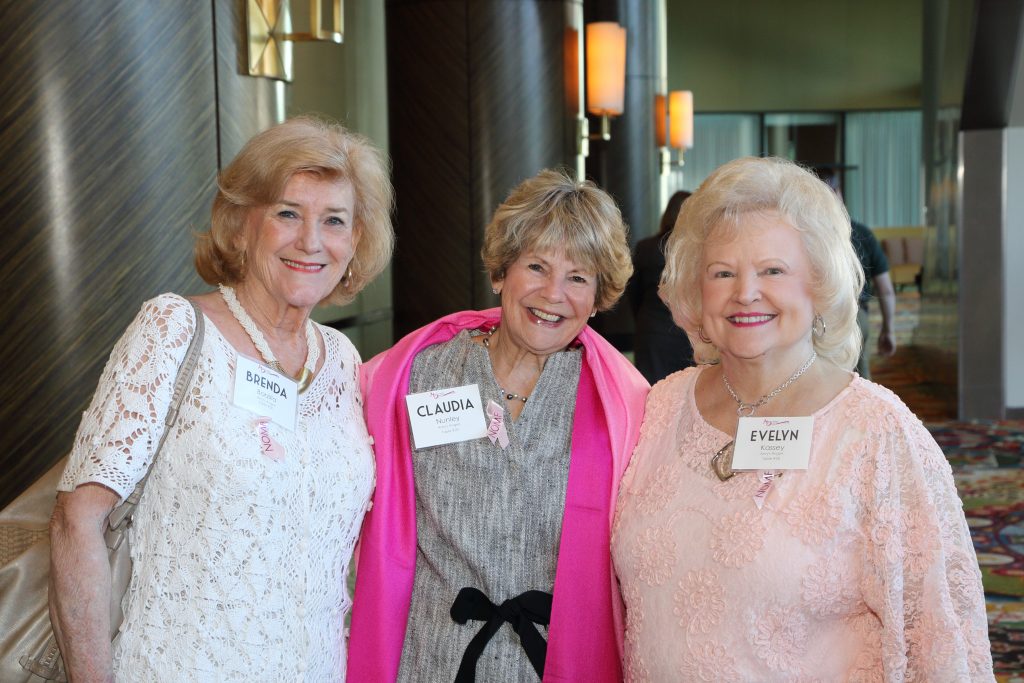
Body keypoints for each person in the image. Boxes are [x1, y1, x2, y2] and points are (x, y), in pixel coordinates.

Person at [612, 157, 993, 681]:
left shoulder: (878, 434)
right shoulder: (657, 408)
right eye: (722, 272)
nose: (745, 292)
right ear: (695, 291)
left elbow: (940, 642)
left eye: (773, 270)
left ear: (817, 284)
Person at [48, 116, 394, 681]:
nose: (311, 241)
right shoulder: (175, 330)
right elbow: (77, 521)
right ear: (240, 225)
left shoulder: (341, 360)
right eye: (287, 213)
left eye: (334, 220)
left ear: (355, 242)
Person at [347, 169, 649, 682]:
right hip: (430, 660)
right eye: (536, 266)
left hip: (554, 664)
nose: (553, 293)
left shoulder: (621, 406)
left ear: (598, 298)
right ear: (500, 273)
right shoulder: (415, 375)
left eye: (578, 277)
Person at [815, 167, 897, 378]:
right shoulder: (862, 233)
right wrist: (888, 330)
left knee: (815, 379)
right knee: (859, 381)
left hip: (812, 318)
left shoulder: (800, 235)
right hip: (855, 317)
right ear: (839, 193)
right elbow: (886, 290)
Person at [627, 190, 694, 383]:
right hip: (688, 332)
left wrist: (643, 318)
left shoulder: (646, 247)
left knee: (650, 390)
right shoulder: (697, 251)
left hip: (651, 330)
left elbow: (633, 292)